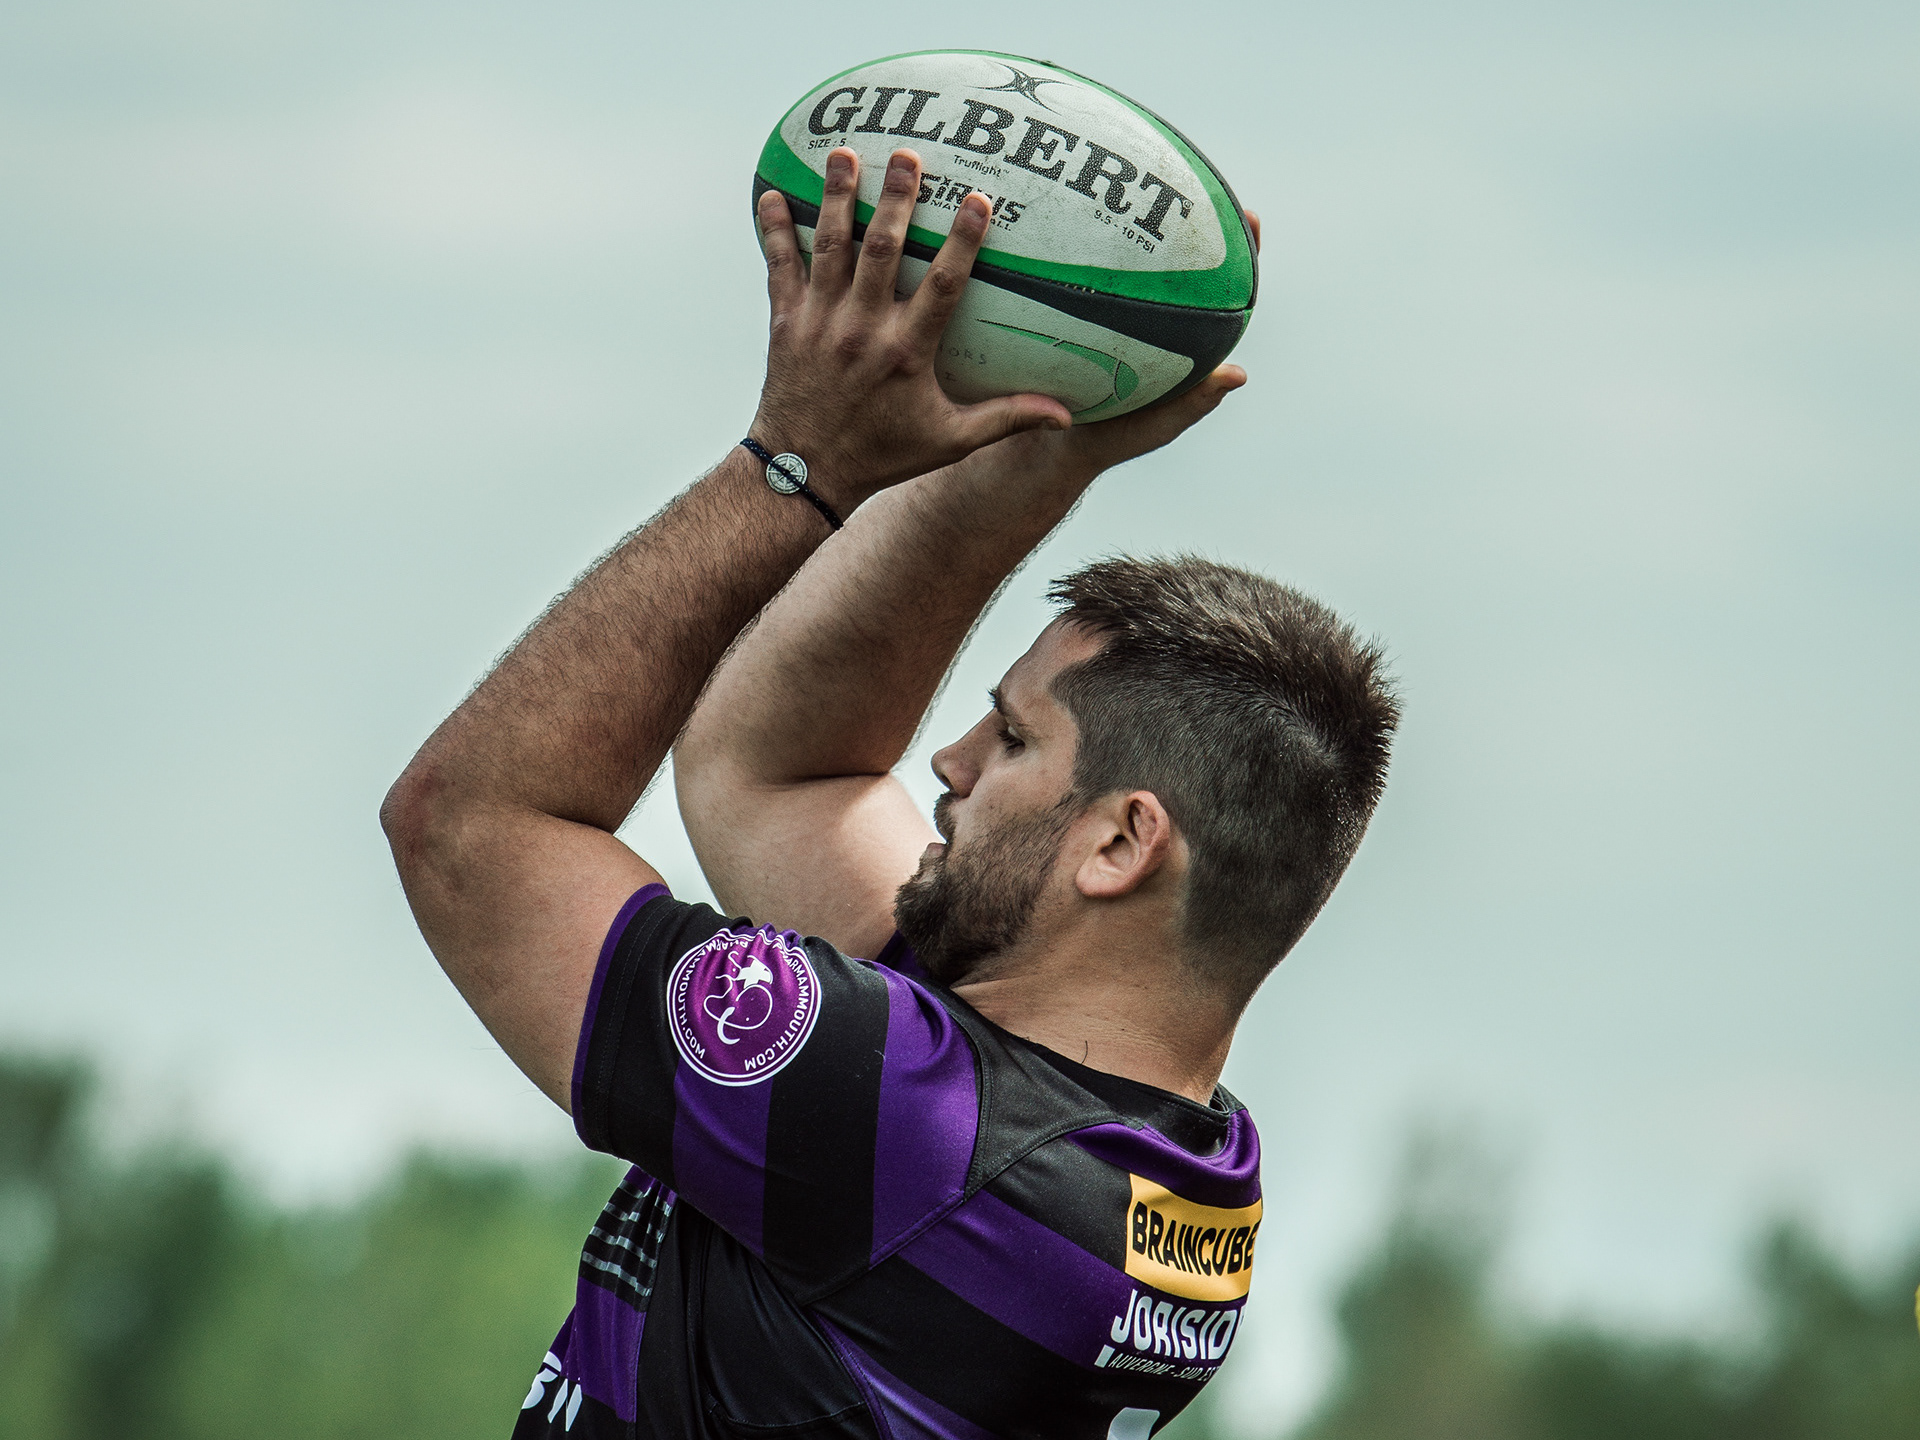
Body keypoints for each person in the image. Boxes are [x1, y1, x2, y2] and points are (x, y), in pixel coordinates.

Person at [381, 144, 1398, 1440]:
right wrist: (1031, 459)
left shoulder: (911, 1129)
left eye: (1012, 740)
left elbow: (467, 826)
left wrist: (797, 458)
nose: (948, 765)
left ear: (1121, 843)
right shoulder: (1175, 1172)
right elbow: (784, 769)